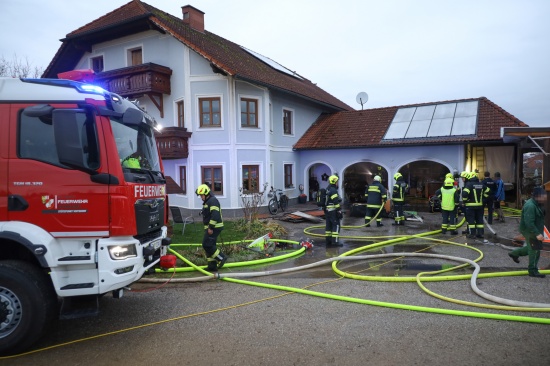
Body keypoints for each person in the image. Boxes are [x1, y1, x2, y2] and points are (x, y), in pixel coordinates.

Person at [508, 186, 547, 278]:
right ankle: (532, 271)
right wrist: (537, 234)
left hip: (535, 229)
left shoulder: (538, 204)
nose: (545, 199)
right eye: (543, 197)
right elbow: (529, 222)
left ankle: (514, 253)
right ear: (537, 196)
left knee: (532, 247)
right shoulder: (530, 206)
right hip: (530, 230)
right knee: (535, 250)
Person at [196, 184, 227, 271]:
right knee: (210, 245)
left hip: (215, 227)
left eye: (201, 195)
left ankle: (221, 258)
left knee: (207, 245)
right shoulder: (208, 201)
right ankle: (212, 266)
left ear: (206, 194)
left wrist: (210, 227)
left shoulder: (213, 201)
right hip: (211, 227)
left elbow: (215, 215)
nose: (201, 197)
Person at [462, 171, 490, 239]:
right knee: (479, 220)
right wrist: (483, 199)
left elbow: (465, 193)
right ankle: (480, 234)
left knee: (471, 220)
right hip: (480, 206)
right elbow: (488, 191)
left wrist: (465, 200)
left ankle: (472, 234)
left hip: (470, 206)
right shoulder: (480, 184)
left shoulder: (469, 184)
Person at [324, 175, 343, 247]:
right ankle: (335, 242)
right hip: (333, 211)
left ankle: (328, 241)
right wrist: (339, 210)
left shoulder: (328, 189)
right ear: (335, 181)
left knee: (328, 226)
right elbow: (335, 201)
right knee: (336, 225)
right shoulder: (333, 190)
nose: (338, 183)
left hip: (327, 210)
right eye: (337, 181)